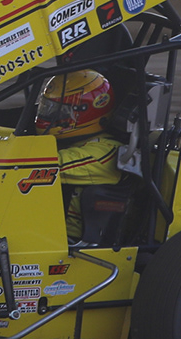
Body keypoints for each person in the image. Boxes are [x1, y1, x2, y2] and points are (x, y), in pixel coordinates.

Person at [33, 69, 124, 245]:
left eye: (60, 111)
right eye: (47, 108)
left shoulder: (104, 153)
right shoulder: (71, 142)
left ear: (85, 112)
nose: (50, 116)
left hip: (66, 240)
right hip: (44, 231)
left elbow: (42, 166)